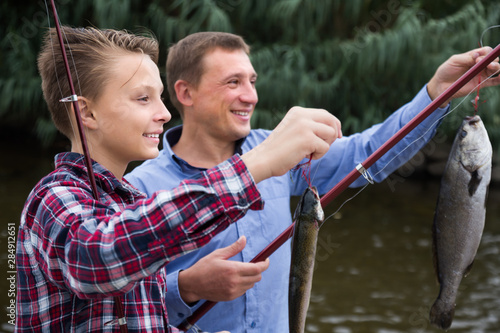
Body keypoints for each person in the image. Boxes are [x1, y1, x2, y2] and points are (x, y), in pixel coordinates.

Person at [125, 31, 500, 332]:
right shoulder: (139, 187)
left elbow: (370, 153)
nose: (250, 95)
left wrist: (437, 92)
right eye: (232, 82)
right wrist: (185, 287)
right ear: (185, 93)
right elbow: (115, 307)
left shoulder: (281, 151)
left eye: (252, 81)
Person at [16, 27, 342, 333]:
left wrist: (185, 288)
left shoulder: (128, 200)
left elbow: (126, 318)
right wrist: (258, 163)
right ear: (86, 113)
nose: (165, 113)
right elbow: (98, 258)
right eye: (143, 99)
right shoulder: (54, 198)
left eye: (160, 97)